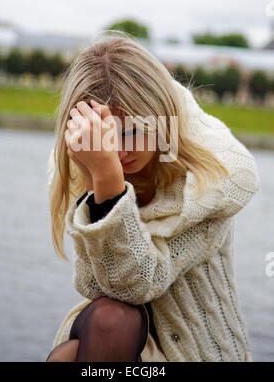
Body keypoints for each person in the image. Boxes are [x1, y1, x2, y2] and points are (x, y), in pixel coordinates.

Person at [46, 31, 260, 362]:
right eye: (108, 137)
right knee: (102, 329)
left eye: (133, 130)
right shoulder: (83, 154)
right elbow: (96, 286)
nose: (121, 150)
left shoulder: (213, 175)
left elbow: (136, 285)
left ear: (160, 116)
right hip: (118, 342)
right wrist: (98, 177)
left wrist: (108, 179)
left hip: (194, 354)